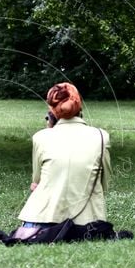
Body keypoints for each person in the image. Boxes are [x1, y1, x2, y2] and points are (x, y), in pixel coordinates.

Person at [9, 82, 113, 241]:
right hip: (87, 224)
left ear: (52, 111)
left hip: (40, 223)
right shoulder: (101, 136)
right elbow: (105, 182)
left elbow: (36, 182)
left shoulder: (40, 137)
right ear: (79, 107)